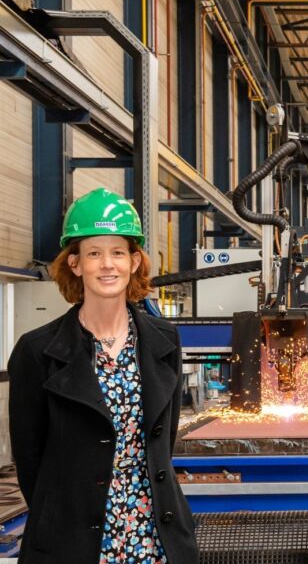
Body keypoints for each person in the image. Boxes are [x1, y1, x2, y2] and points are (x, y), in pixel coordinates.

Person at [7, 188, 198, 563]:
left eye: (117, 252)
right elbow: (30, 460)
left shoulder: (164, 341)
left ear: (134, 261)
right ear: (75, 263)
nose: (107, 264)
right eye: (94, 253)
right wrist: (61, 519)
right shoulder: (37, 351)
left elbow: (164, 440)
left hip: (152, 535)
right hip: (74, 540)